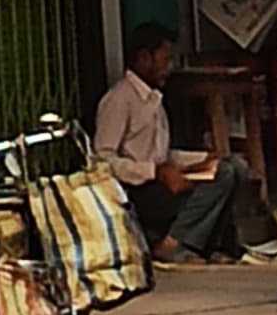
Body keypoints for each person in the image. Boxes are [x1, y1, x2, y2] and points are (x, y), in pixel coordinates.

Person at [92, 22, 243, 264]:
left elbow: (163, 154)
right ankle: (173, 243)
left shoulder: (154, 99)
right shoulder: (119, 100)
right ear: (144, 58)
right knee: (222, 176)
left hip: (160, 182)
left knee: (234, 166)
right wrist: (155, 173)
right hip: (137, 192)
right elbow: (102, 161)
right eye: (165, 60)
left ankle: (207, 245)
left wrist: (202, 160)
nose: (169, 68)